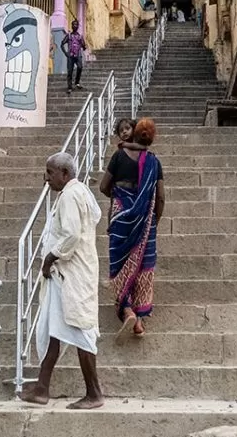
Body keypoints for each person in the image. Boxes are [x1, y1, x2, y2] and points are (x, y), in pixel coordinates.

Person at [20, 152, 104, 409]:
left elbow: (71, 235)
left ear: (65, 174)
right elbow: (96, 216)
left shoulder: (69, 195)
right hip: (69, 274)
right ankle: (42, 388)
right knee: (54, 327)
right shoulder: (80, 192)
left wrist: (49, 259)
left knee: (81, 330)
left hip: (71, 274)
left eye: (50, 173)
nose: (46, 178)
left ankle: (94, 393)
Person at [99, 118, 165, 340]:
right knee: (144, 264)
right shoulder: (154, 162)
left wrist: (120, 197)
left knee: (120, 261)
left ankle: (126, 308)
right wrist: (152, 219)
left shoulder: (118, 156)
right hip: (146, 217)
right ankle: (139, 319)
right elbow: (161, 197)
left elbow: (102, 186)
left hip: (120, 216)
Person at [61, 20, 86, 94]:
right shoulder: (68, 35)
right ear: (71, 26)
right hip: (70, 56)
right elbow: (62, 44)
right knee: (70, 71)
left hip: (78, 55)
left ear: (78, 26)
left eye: (76, 25)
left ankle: (77, 82)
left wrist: (84, 47)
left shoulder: (80, 36)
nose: (75, 26)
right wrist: (66, 53)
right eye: (73, 24)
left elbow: (84, 46)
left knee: (80, 67)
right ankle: (69, 87)